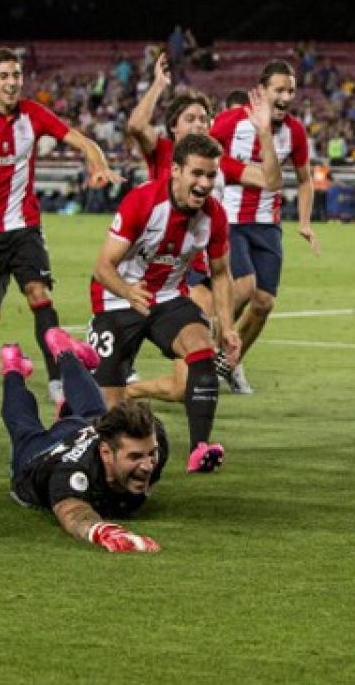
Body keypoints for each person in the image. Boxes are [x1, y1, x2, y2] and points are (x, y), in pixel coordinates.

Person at [0, 47, 119, 403]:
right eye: (4, 76)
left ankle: (57, 380)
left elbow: (82, 141)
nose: (11, 83)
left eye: (16, 75)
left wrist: (98, 164)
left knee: (39, 294)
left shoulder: (33, 114)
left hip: (24, 226)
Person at [122, 53, 279, 404]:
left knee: (187, 385)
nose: (198, 124)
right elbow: (135, 125)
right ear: (173, 127)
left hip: (203, 261)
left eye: (204, 119)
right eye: (190, 118)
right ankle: (117, 368)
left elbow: (270, 180)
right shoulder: (163, 151)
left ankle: (130, 387)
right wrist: (158, 86)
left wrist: (265, 133)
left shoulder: (220, 164)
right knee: (194, 332)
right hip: (161, 263)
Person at [89, 134, 241, 473]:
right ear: (175, 171)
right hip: (117, 299)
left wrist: (229, 328)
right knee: (108, 416)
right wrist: (128, 291)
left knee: (202, 350)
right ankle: (76, 394)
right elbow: (102, 267)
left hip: (168, 297)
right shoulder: (143, 202)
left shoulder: (214, 216)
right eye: (197, 173)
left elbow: (220, 274)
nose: (205, 184)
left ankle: (199, 449)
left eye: (211, 175)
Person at [209, 60, 320, 395]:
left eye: (291, 91)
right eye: (279, 90)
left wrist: (304, 222)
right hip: (230, 219)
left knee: (264, 303)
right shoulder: (232, 121)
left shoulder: (295, 131)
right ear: (262, 91)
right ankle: (208, 349)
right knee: (244, 288)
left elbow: (305, 179)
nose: (286, 97)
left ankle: (230, 363)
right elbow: (203, 154)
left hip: (268, 226)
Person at [0, 333, 165, 552]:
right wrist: (102, 531)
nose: (147, 466)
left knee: (96, 412)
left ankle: (66, 353)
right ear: (106, 453)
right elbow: (73, 512)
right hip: (39, 456)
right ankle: (13, 368)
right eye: (135, 457)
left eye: (151, 454)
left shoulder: (154, 440)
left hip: (83, 430)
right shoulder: (74, 471)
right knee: (23, 426)